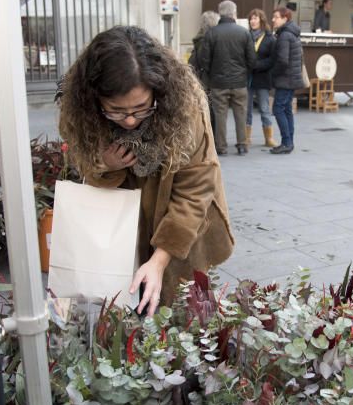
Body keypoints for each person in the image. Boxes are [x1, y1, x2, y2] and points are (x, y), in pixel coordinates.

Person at [57, 26, 235, 315]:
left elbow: (196, 190)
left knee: (182, 308)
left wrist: (160, 258)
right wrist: (106, 165)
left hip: (182, 226)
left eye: (141, 108)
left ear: (159, 92)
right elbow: (85, 168)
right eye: (115, 110)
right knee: (124, 311)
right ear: (94, 99)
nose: (129, 121)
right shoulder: (82, 113)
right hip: (122, 228)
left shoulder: (186, 107)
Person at [198, 0, 255, 155]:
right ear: (234, 13)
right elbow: (252, 60)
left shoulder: (212, 33)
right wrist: (244, 74)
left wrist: (211, 76)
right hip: (239, 82)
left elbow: (205, 60)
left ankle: (221, 147)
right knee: (241, 114)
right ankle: (242, 144)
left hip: (218, 83)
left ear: (220, 12)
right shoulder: (244, 33)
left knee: (220, 115)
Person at [269, 6, 305, 155]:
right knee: (287, 109)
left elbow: (283, 60)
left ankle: (286, 142)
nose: (273, 20)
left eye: (276, 17)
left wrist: (273, 74)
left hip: (285, 78)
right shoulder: (292, 33)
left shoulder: (284, 35)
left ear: (285, 18)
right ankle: (289, 142)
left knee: (278, 109)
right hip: (292, 77)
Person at [247, 8, 277, 148]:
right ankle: (246, 137)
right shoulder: (246, 36)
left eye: (255, 18)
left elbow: (272, 60)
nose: (253, 21)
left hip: (263, 78)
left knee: (264, 108)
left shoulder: (270, 38)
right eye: (251, 19)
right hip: (248, 78)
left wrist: (257, 65)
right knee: (246, 109)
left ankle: (268, 138)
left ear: (261, 20)